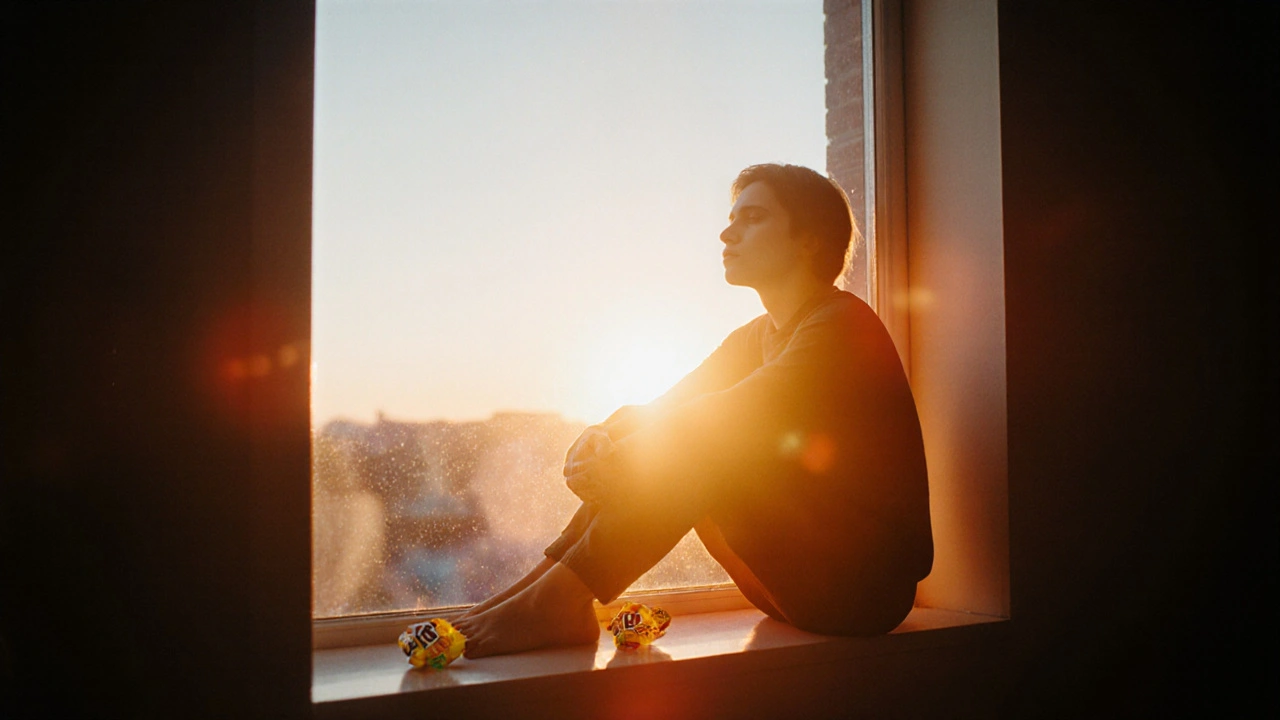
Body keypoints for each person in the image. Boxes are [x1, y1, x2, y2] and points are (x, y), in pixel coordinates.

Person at [454, 163, 932, 657]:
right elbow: (669, 404)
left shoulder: (843, 324)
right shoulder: (752, 337)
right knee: (684, 429)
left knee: (706, 436)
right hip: (790, 581)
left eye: (753, 217)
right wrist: (602, 434)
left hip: (863, 590)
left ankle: (552, 601)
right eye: (731, 217)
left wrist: (623, 450)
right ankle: (544, 590)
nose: (727, 232)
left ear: (808, 240)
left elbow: (731, 413)